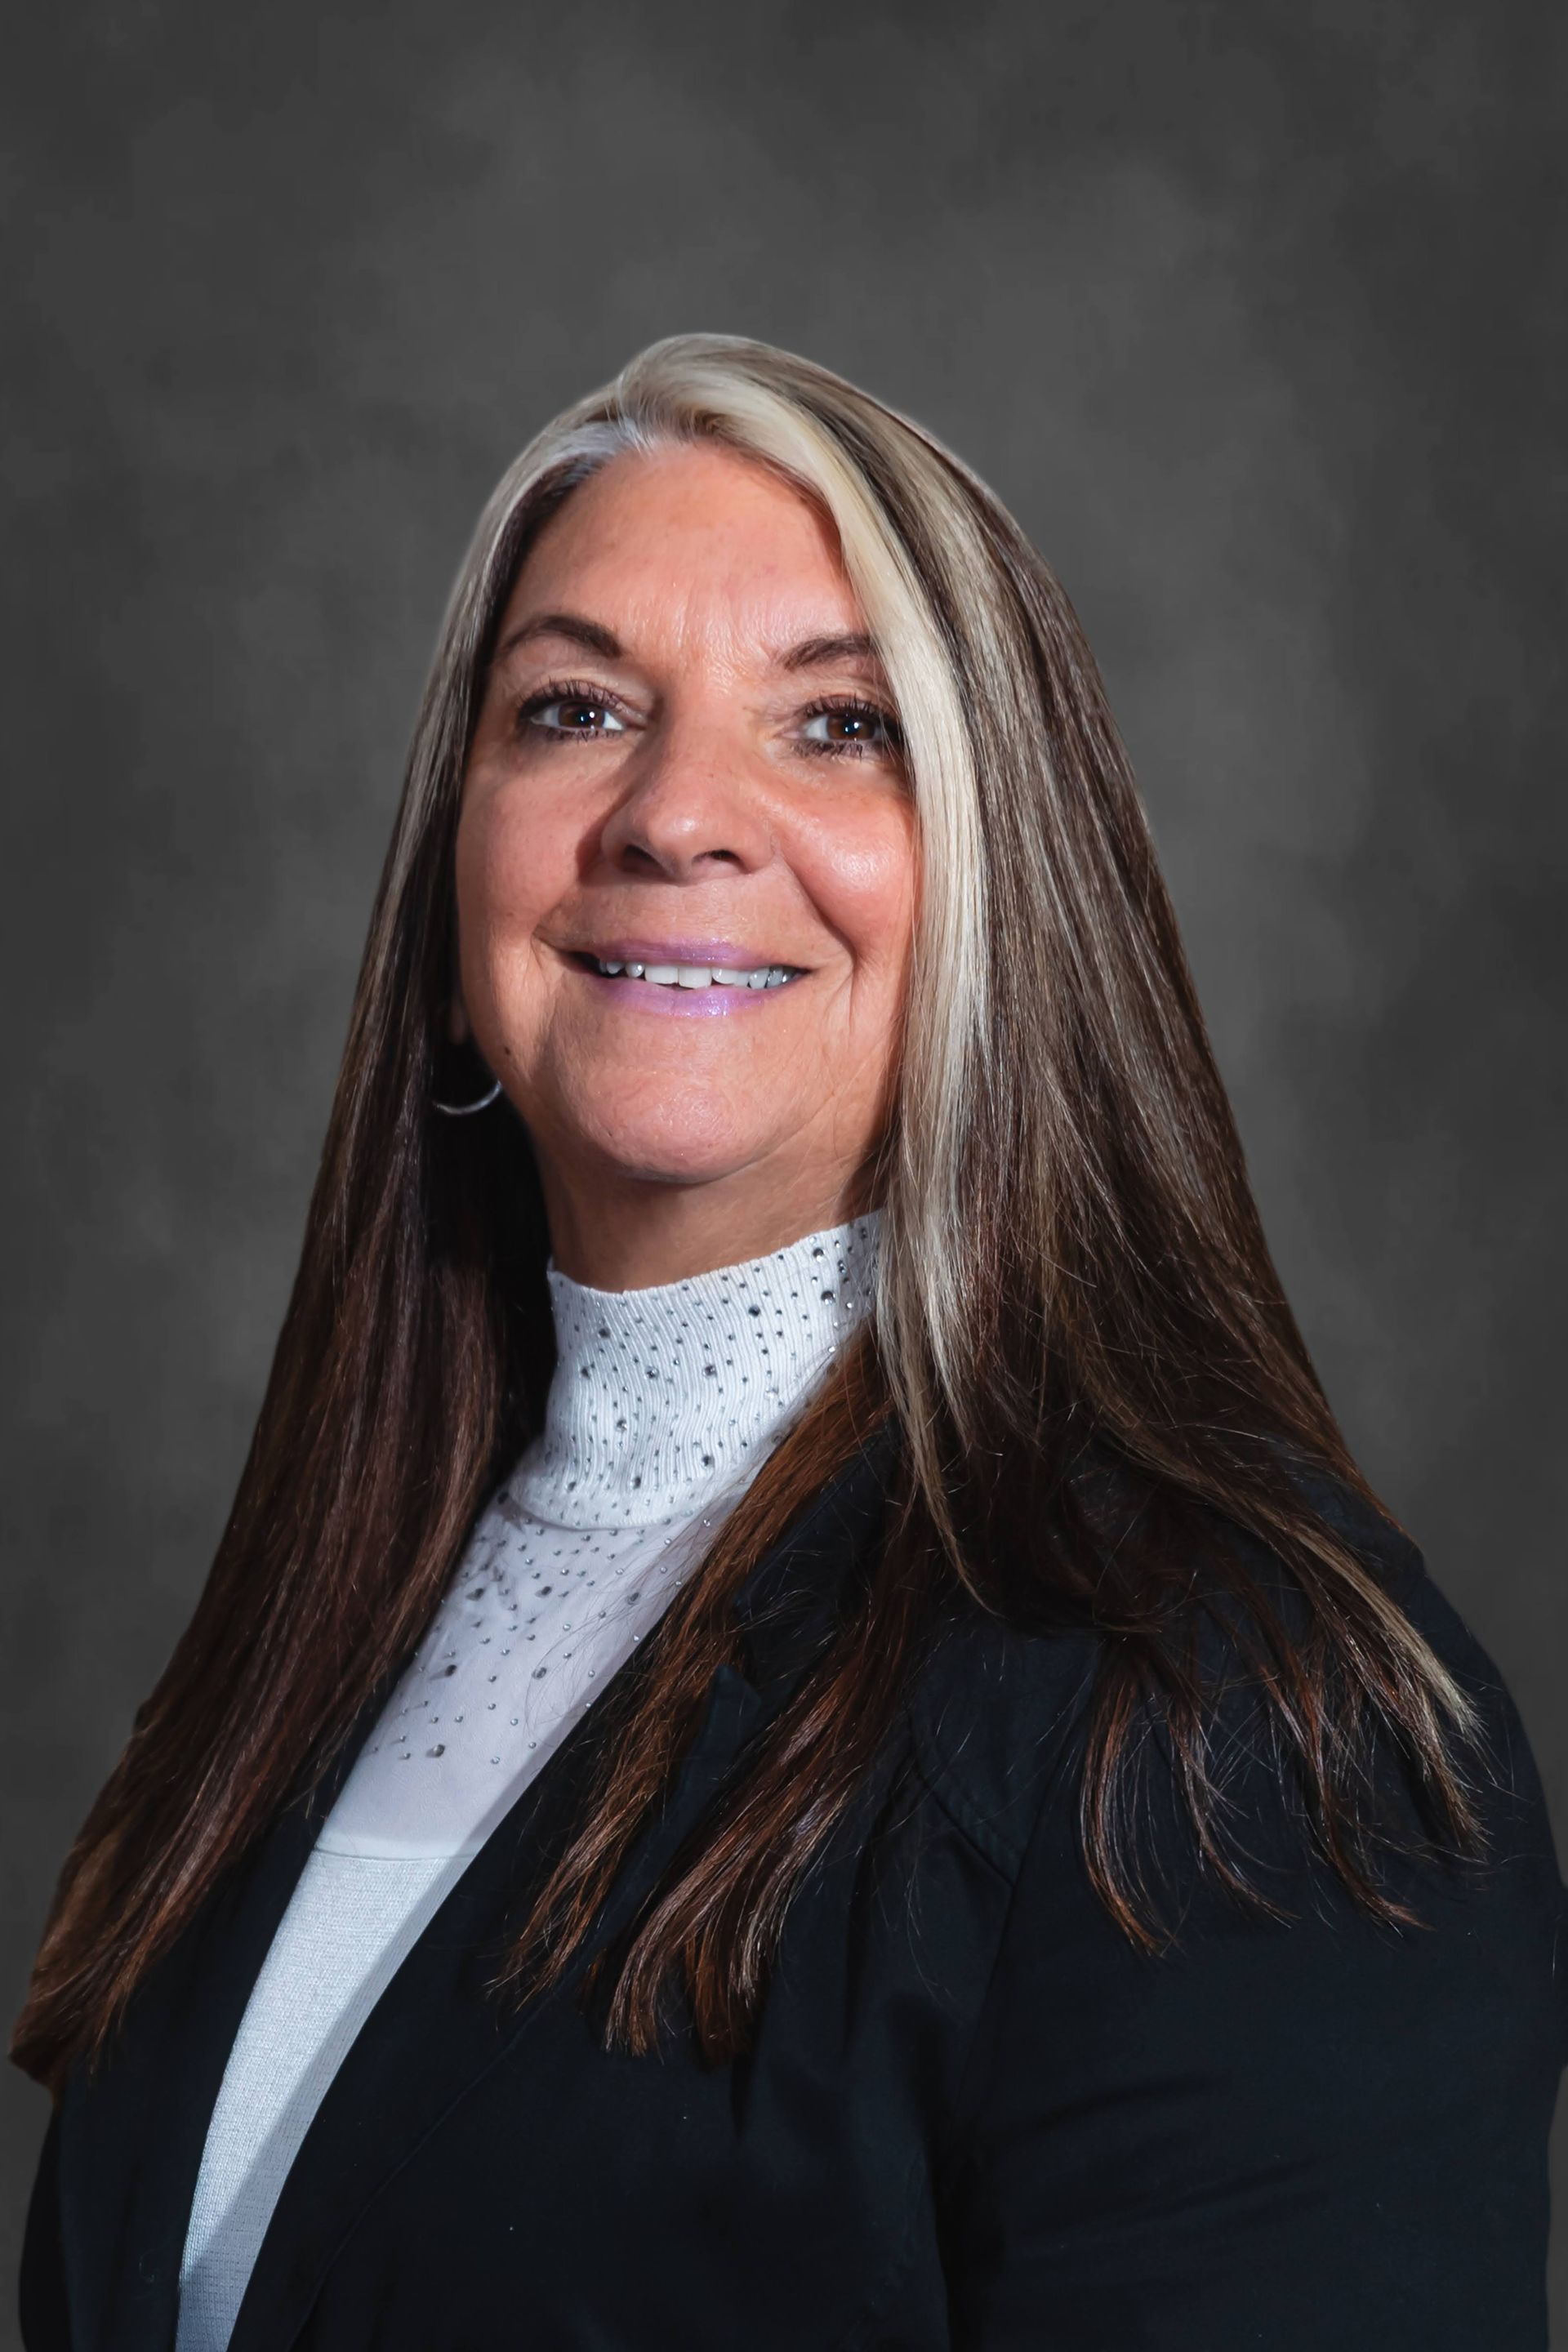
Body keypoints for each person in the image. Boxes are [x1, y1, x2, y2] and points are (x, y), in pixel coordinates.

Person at [11, 333, 1565, 2351]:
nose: (676, 814)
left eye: (838, 728)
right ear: (450, 897)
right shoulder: (328, 1632)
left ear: (1009, 895)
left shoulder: (1229, 1715)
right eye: (574, 708)